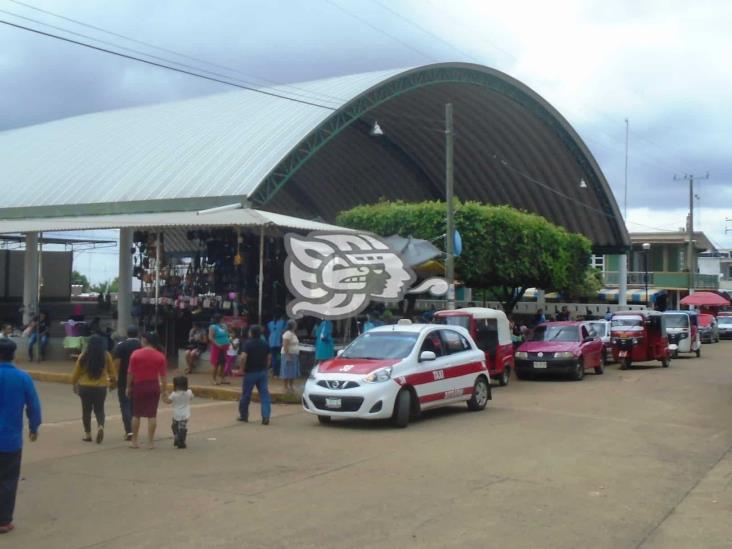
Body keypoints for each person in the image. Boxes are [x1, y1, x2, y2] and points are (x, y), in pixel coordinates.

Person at [0, 338, 41, 535]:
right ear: (14, 355)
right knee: (8, 479)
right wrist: (34, 427)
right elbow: (33, 405)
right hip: (10, 440)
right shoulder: (22, 377)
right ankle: (4, 521)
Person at [127, 332, 168, 449]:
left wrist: (128, 386)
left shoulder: (135, 354)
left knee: (136, 414)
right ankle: (150, 442)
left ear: (145, 340)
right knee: (152, 415)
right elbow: (163, 376)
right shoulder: (160, 356)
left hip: (139, 385)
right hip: (153, 385)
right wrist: (164, 391)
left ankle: (134, 441)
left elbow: (130, 373)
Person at [71, 334, 116, 443]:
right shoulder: (106, 355)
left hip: (84, 387)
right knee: (99, 409)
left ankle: (88, 434)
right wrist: (113, 384)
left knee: (86, 411)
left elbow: (76, 373)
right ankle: (100, 426)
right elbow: (112, 373)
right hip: (100, 387)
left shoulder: (83, 355)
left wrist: (74, 383)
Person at [237, 325, 272, 424]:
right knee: (264, 395)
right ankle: (266, 417)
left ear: (251, 333)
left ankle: (244, 416)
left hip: (250, 372)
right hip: (262, 372)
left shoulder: (248, 344)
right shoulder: (265, 343)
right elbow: (269, 357)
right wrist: (266, 367)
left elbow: (243, 357)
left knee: (246, 395)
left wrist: (241, 369)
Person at [112, 325, 141, 441]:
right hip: (139, 379)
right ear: (137, 334)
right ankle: (135, 429)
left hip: (124, 379)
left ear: (127, 333)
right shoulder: (141, 346)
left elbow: (117, 364)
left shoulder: (121, 346)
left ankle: (129, 430)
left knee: (125, 404)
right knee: (135, 405)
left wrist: (115, 378)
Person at [163, 376, 193, 449]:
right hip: (185, 414)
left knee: (174, 426)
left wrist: (164, 396)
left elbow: (168, 401)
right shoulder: (188, 392)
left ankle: (177, 437)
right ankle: (181, 441)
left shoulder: (174, 394)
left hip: (176, 415)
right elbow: (191, 397)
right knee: (182, 427)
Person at [208, 314, 230, 385]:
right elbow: (211, 337)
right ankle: (213, 379)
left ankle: (222, 378)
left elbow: (227, 334)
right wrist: (218, 344)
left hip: (225, 347)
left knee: (223, 363)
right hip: (217, 347)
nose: (223, 320)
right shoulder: (213, 327)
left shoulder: (224, 326)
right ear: (219, 319)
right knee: (216, 364)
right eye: (222, 319)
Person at [280, 319, 300, 394]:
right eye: (295, 324)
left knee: (292, 371)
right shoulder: (287, 333)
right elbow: (285, 345)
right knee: (286, 370)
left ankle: (291, 386)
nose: (296, 325)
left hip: (294, 354)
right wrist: (288, 355)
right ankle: (285, 387)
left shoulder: (293, 333)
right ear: (293, 325)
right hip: (287, 354)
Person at [267, 313, 287, 378]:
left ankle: (274, 373)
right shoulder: (283, 322)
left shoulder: (270, 323)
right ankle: (278, 373)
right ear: (281, 317)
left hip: (271, 343)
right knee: (279, 358)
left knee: (273, 358)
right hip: (279, 343)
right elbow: (284, 331)